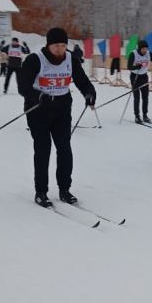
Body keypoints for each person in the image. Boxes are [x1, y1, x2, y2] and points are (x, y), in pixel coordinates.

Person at [18, 28, 96, 207]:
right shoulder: (35, 60)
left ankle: (64, 189)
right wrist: (37, 96)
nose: (60, 50)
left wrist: (89, 93)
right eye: (56, 46)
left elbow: (82, 80)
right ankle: (41, 192)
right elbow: (23, 86)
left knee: (65, 149)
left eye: (63, 45)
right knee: (43, 149)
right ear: (48, 45)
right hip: (38, 111)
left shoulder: (70, 59)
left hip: (61, 110)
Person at [127, 40, 152, 123]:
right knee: (136, 97)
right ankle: (137, 116)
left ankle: (145, 115)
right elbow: (129, 66)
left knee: (145, 97)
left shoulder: (149, 54)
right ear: (139, 48)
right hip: (135, 77)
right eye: (143, 49)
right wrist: (136, 67)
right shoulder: (133, 54)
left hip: (144, 77)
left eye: (146, 49)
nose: (145, 51)